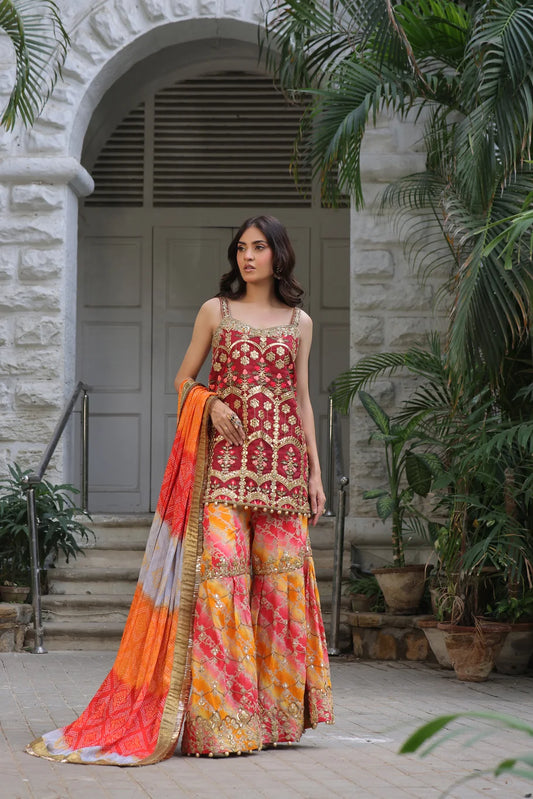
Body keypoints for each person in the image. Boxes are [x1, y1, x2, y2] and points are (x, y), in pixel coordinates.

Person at [26, 215, 333, 766]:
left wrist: (314, 471)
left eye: (259, 248)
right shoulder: (217, 310)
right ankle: (221, 723)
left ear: (279, 255)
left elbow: (302, 398)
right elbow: (183, 379)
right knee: (220, 585)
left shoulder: (300, 322)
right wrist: (210, 403)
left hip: (282, 472)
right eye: (241, 248)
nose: (248, 257)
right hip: (223, 472)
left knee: (279, 593)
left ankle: (276, 720)